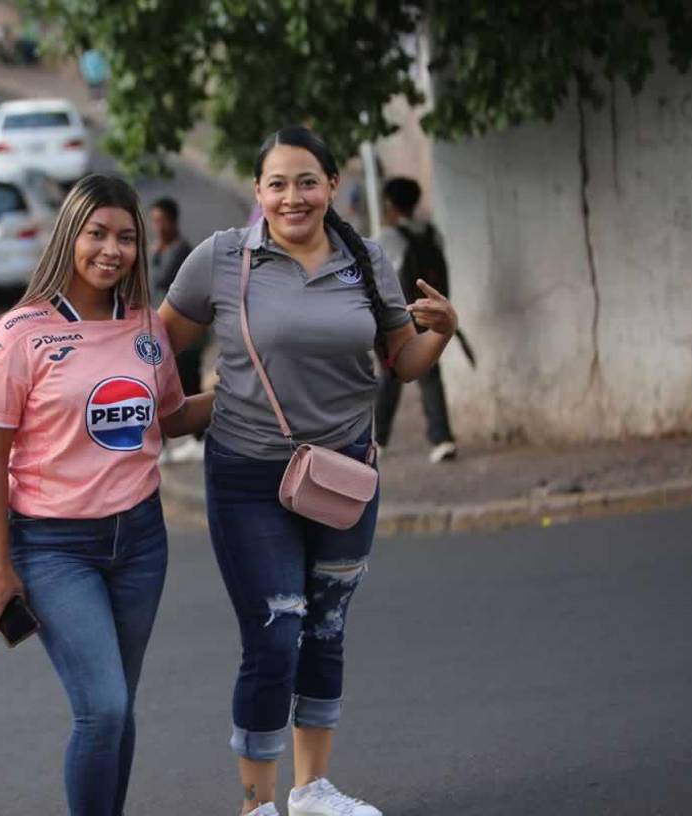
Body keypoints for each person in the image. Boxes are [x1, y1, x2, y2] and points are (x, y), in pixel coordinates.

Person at [159, 127, 458, 816]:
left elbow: (402, 362)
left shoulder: (365, 259)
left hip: (343, 474)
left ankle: (312, 790)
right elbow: (154, 342)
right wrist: (175, 411)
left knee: (324, 628)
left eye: (307, 182)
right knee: (274, 633)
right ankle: (256, 805)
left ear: (331, 186)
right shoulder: (223, 258)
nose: (292, 197)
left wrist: (441, 331)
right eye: (277, 184)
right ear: (257, 191)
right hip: (247, 478)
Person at [0, 175, 214, 816]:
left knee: (119, 707)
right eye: (97, 233)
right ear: (68, 237)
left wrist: (243, 392)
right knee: (102, 707)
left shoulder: (145, 327)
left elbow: (171, 417)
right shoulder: (19, 334)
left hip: (141, 541)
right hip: (54, 548)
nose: (112, 250)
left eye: (126, 237)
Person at [374, 177, 458, 463]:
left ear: (390, 204)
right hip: (430, 312)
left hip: (398, 318)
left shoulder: (388, 238)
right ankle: (442, 438)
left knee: (390, 377)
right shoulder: (432, 233)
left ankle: (378, 440)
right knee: (430, 374)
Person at [149, 197, 206, 462]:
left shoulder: (182, 252)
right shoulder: (162, 249)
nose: (158, 226)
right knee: (162, 388)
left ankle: (198, 440)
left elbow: (161, 280)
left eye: (161, 221)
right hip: (163, 333)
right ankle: (163, 446)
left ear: (173, 221)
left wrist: (157, 254)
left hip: (185, 335)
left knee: (187, 386)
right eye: (154, 221)